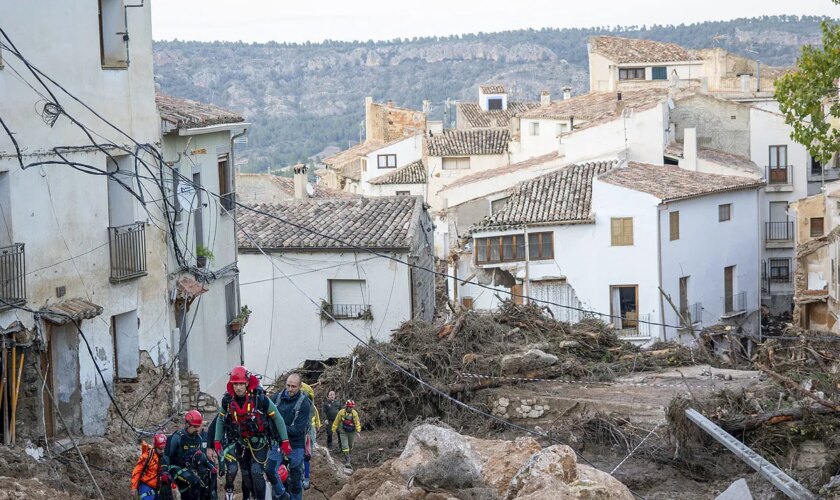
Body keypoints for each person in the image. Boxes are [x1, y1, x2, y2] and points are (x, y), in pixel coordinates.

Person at [214, 366, 291, 500]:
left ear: (247, 383)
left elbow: (277, 418)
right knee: (246, 474)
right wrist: (217, 441)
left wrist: (285, 441)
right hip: (241, 443)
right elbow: (220, 421)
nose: (238, 388)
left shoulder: (260, 399)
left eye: (241, 384)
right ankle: (253, 496)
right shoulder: (227, 401)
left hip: (259, 442)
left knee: (256, 472)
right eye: (235, 384)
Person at [270, 373, 312, 500]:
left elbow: (298, 430)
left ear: (300, 387)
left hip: (295, 443)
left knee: (295, 476)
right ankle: (281, 496)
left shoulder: (304, 403)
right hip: (276, 442)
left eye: (293, 386)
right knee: (271, 471)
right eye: (288, 385)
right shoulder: (276, 398)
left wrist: (278, 428)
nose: (289, 389)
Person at [166, 410, 216, 500]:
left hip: (190, 469)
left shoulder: (198, 439)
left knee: (203, 486)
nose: (197, 429)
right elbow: (167, 456)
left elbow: (201, 456)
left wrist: (210, 467)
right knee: (194, 482)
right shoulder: (178, 437)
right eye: (195, 427)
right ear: (187, 424)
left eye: (198, 426)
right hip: (176, 468)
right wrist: (165, 472)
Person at [206, 413, 249, 500]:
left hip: (246, 444)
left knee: (247, 472)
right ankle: (229, 490)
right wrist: (209, 446)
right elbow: (212, 428)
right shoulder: (227, 409)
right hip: (230, 445)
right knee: (233, 469)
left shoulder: (251, 407)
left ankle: (247, 496)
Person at [131, 433, 173, 499]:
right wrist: (134, 487)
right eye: (160, 448)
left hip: (160, 487)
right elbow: (137, 470)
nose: (162, 451)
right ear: (155, 446)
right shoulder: (147, 456)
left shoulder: (166, 458)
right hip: (146, 484)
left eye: (164, 448)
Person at [300, 382, 320, 490]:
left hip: (307, 431)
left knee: (306, 455)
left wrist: (317, 425)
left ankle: (305, 477)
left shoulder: (309, 407)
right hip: (300, 433)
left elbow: (314, 415)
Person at [331, 400, 361, 468]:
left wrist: (358, 431)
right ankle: (347, 461)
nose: (351, 409)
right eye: (349, 407)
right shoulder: (341, 412)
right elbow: (336, 421)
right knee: (345, 446)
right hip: (343, 431)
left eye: (352, 407)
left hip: (351, 432)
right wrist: (333, 429)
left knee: (350, 445)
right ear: (346, 407)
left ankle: (348, 455)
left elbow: (357, 422)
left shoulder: (354, 413)